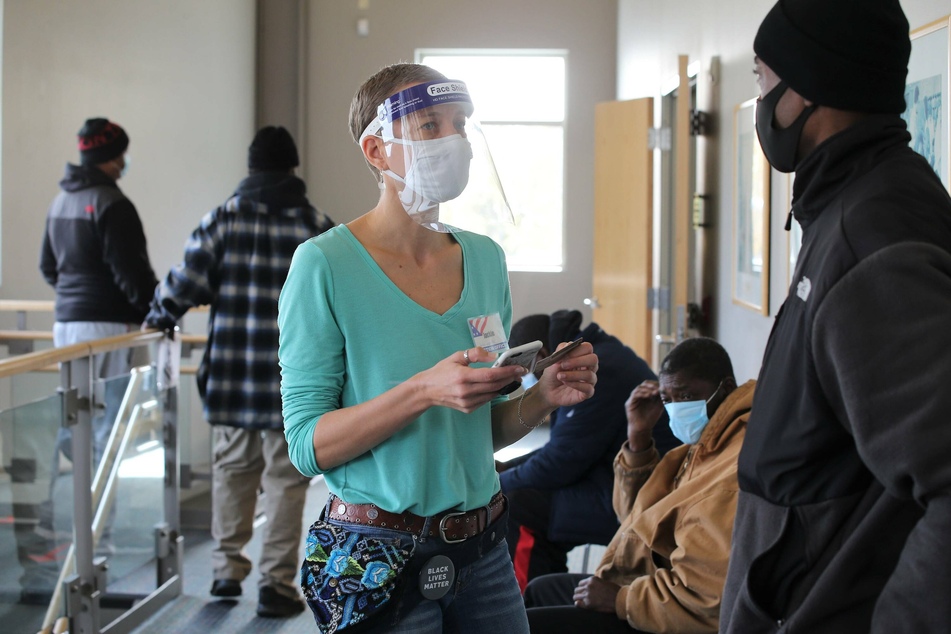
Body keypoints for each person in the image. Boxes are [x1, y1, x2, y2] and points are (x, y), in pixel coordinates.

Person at [278, 63, 598, 634]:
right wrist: (423, 390)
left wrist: (541, 398)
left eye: (461, 124)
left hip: (484, 549)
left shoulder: (485, 259)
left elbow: (484, 429)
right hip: (376, 553)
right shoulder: (324, 265)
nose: (454, 140)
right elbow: (307, 446)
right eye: (430, 125)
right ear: (377, 149)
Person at [721, 1, 951, 632]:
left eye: (764, 78)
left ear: (811, 88)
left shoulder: (871, 235)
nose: (761, 98)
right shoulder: (857, 200)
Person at [145, 126, 333, 618]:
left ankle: (227, 572)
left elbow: (182, 285)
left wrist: (157, 317)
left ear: (251, 169)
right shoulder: (316, 226)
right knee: (287, 485)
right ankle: (276, 583)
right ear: (293, 169)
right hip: (294, 387)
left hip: (231, 380)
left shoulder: (222, 220)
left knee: (232, 475)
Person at [524, 337, 752, 633]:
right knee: (540, 591)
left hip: (665, 610)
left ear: (727, 389)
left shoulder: (732, 464)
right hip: (647, 585)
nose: (675, 408)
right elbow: (635, 519)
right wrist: (639, 436)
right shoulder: (705, 443)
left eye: (685, 396)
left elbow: (707, 599)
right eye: (667, 399)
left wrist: (621, 599)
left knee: (528, 625)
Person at [498, 309, 678, 590]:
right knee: (520, 486)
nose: (526, 383)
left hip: (642, 498)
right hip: (617, 476)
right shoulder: (589, 353)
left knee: (518, 503)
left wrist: (499, 483)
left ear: (541, 353)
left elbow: (561, 463)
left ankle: (527, 607)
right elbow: (563, 447)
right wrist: (508, 467)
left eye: (525, 373)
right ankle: (548, 588)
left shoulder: (594, 371)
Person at [40, 117, 158, 466]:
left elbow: (47, 267)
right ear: (112, 156)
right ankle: (101, 516)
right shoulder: (113, 204)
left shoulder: (59, 202)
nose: (125, 160)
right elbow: (132, 274)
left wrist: (75, 300)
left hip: (66, 325)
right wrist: (152, 312)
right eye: (122, 152)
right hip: (111, 327)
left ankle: (68, 507)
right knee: (113, 424)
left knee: (75, 418)